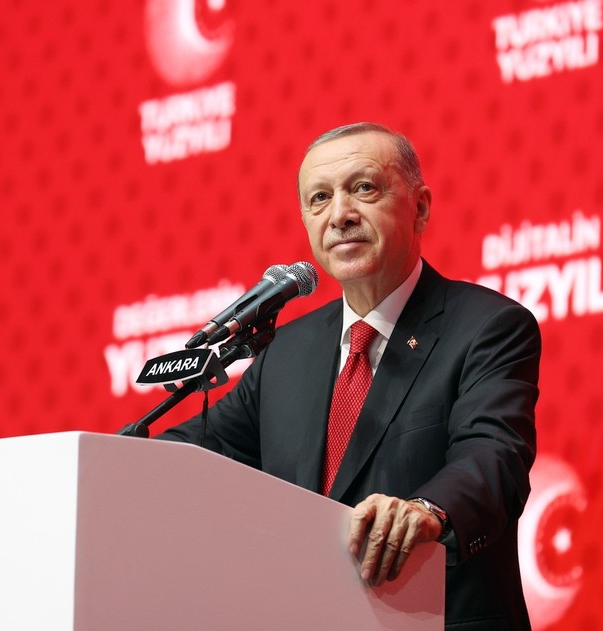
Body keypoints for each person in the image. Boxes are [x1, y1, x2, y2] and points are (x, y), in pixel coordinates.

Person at [158, 122, 541, 629]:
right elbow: (195, 452)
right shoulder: (286, 352)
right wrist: (104, 466)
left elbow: (493, 458)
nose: (340, 215)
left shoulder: (486, 326)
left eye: (364, 188)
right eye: (319, 198)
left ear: (420, 207)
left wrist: (427, 510)